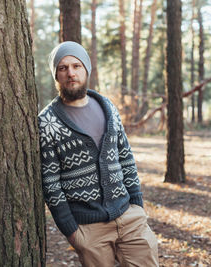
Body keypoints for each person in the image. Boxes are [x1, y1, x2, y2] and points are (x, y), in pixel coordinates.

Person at [38, 41, 159, 267]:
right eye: (62, 68)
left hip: (129, 217)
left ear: (87, 70)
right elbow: (50, 182)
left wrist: (137, 204)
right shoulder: (47, 122)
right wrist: (72, 231)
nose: (70, 73)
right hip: (88, 229)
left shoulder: (108, 107)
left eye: (76, 66)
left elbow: (125, 158)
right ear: (56, 75)